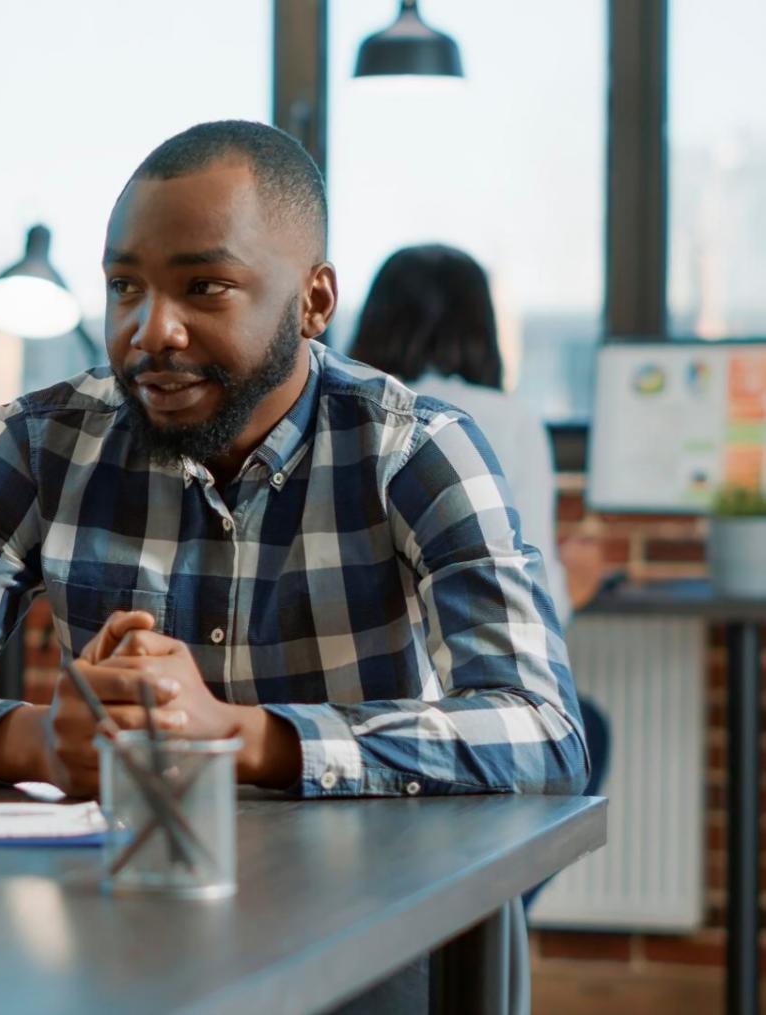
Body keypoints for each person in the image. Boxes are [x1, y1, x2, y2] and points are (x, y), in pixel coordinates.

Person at [0, 121, 588, 802]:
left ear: (313, 302)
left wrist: (241, 736)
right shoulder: (39, 442)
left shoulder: (412, 447)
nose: (151, 332)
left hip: (363, 919)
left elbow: (543, 729)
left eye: (204, 286)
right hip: (124, 906)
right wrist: (35, 740)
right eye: (123, 286)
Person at [346, 243, 614, 909]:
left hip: (341, 708)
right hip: (453, 720)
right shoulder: (508, 421)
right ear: (480, 326)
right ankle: (490, 925)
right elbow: (530, 621)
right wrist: (574, 585)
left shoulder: (341, 414)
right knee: (579, 731)